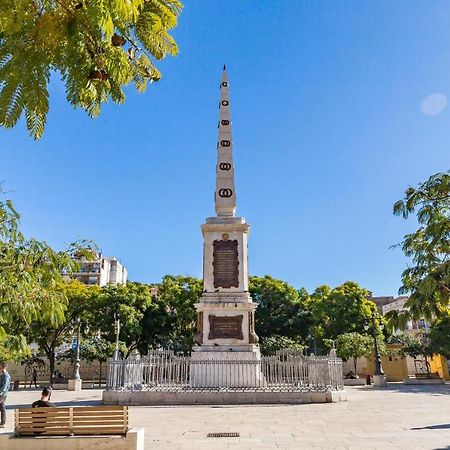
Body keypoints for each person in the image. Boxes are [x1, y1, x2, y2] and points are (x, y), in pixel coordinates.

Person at [0, 362, 11, 428]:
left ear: (3, 367)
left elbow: (4, 387)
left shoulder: (6, 376)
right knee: (1, 407)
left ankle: (3, 422)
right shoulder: (2, 375)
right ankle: (3, 422)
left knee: (2, 407)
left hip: (3, 394)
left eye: (0, 367)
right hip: (2, 393)